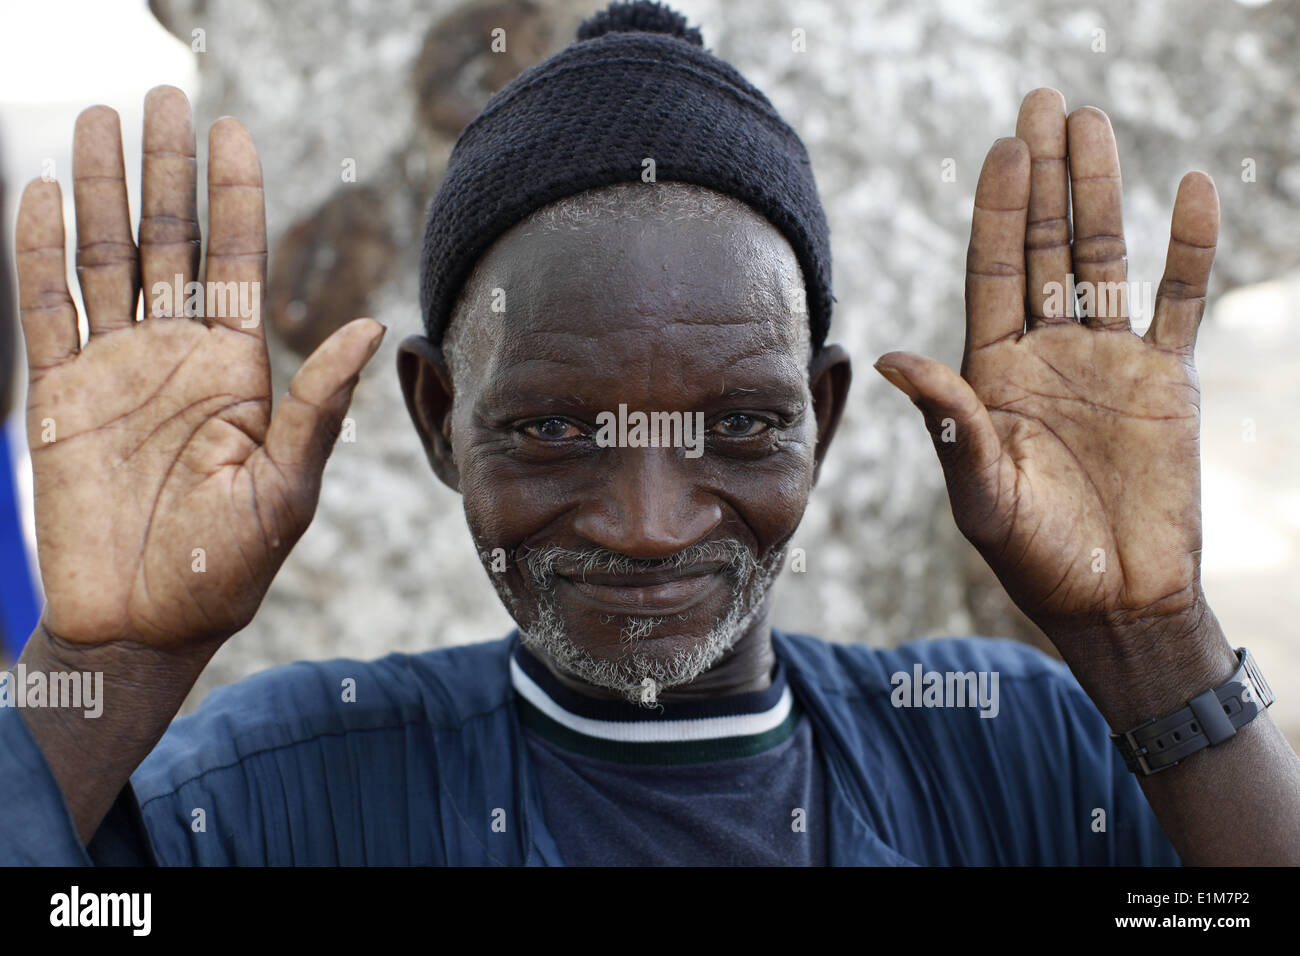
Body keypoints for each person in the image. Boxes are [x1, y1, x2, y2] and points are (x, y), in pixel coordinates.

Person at [2, 0, 1297, 866]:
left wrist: (1153, 645)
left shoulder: (1012, 753)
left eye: (738, 425)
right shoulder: (287, 788)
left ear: (826, 417)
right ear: (441, 421)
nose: (649, 523)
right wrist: (109, 663)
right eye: (558, 432)